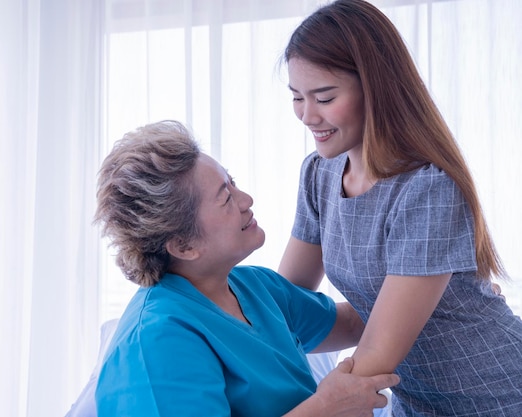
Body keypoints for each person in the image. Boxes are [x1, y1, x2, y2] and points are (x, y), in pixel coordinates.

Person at [278, 0, 522, 416]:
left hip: (493, 394)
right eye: (297, 97)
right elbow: (287, 299)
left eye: (323, 97)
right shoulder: (318, 174)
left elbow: (376, 355)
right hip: (412, 399)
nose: (306, 115)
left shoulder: (427, 189)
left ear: (375, 89)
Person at [92, 120, 399, 416]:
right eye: (226, 199)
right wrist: (325, 408)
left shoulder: (255, 286)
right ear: (183, 245)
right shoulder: (156, 342)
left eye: (233, 182)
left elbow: (353, 323)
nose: (246, 200)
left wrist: (420, 273)